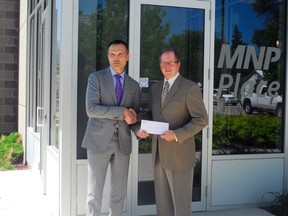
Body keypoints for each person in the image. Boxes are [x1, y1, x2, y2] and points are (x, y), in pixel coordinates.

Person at [136, 48, 208, 216]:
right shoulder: (155, 88)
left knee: (181, 207)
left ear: (178, 64)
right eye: (163, 63)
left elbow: (201, 119)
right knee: (163, 205)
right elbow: (150, 115)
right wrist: (140, 125)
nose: (167, 66)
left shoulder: (190, 88)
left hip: (179, 155)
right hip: (159, 154)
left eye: (170, 62)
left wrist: (176, 134)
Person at [82, 39, 140, 216]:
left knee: (119, 193)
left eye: (120, 54)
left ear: (127, 57)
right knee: (94, 194)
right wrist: (121, 111)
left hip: (122, 143)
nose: (116, 58)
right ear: (108, 57)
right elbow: (91, 109)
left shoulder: (134, 85)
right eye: (112, 54)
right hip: (98, 141)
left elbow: (134, 116)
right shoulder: (96, 78)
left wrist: (138, 129)